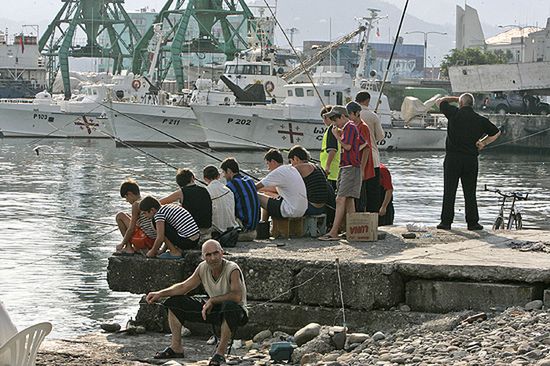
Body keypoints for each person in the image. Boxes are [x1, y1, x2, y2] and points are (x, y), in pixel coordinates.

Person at [146, 240, 248, 365]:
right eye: (208, 255)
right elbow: (184, 287)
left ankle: (220, 353)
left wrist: (213, 300)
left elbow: (236, 296)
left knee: (229, 306)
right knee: (174, 302)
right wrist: (159, 293)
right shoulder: (203, 267)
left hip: (236, 312)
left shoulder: (232, 269)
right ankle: (176, 347)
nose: (213, 258)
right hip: (212, 309)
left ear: (222, 253)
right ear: (203, 257)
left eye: (216, 253)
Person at [436, 93, 501, 230]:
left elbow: (439, 101)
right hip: (470, 159)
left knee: (449, 191)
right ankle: (472, 223)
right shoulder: (479, 119)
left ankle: (446, 222)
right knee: (470, 192)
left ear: (460, 104)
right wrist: (483, 143)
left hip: (453, 158)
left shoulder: (454, 113)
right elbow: (496, 132)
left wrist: (455, 98)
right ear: (473, 105)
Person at [319, 105, 367, 240]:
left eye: (335, 119)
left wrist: (337, 136)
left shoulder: (350, 127)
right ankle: (352, 230)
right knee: (349, 199)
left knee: (340, 199)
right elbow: (363, 143)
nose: (334, 122)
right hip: (348, 166)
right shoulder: (350, 128)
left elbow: (347, 146)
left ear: (342, 117)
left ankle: (333, 232)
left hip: (350, 167)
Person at [256, 149, 308, 220]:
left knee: (255, 195)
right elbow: (272, 188)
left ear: (273, 161)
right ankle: (264, 222)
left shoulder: (278, 172)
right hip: (302, 209)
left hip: (291, 210)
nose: (268, 168)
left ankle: (261, 226)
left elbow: (255, 187)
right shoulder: (290, 168)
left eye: (268, 164)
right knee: (267, 194)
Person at [356, 91, 385, 212]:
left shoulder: (350, 115)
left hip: (355, 158)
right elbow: (380, 136)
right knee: (373, 192)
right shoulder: (373, 116)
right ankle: (373, 219)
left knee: (358, 193)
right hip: (372, 158)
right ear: (367, 101)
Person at [346, 101, 376, 213]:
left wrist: (362, 169)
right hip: (355, 165)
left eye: (350, 114)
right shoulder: (353, 126)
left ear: (356, 113)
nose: (349, 117)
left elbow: (367, 148)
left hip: (361, 166)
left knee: (360, 196)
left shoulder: (363, 127)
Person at [220, 158, 260, 238]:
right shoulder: (250, 180)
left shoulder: (231, 185)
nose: (224, 176)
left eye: (224, 172)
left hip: (243, 227)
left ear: (229, 171)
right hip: (254, 225)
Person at [115, 179, 157, 255]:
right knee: (127, 216)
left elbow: (131, 229)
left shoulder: (136, 204)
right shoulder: (146, 200)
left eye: (126, 197)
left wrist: (122, 243)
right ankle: (135, 248)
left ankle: (128, 248)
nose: (127, 201)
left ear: (130, 194)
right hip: (154, 240)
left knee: (120, 216)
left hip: (145, 240)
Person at [287, 145, 330, 216]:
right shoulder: (316, 166)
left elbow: (285, 182)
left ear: (296, 158)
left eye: (291, 161)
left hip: (312, 208)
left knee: (282, 205)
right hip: (323, 207)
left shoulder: (301, 167)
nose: (291, 165)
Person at [203, 165, 239, 234]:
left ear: (205, 179)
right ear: (218, 176)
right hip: (232, 228)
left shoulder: (205, 192)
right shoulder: (228, 190)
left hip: (217, 229)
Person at [319, 105, 340, 191]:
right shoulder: (335, 129)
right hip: (334, 171)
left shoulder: (332, 130)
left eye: (324, 118)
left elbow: (332, 150)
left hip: (331, 172)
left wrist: (327, 166)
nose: (323, 121)